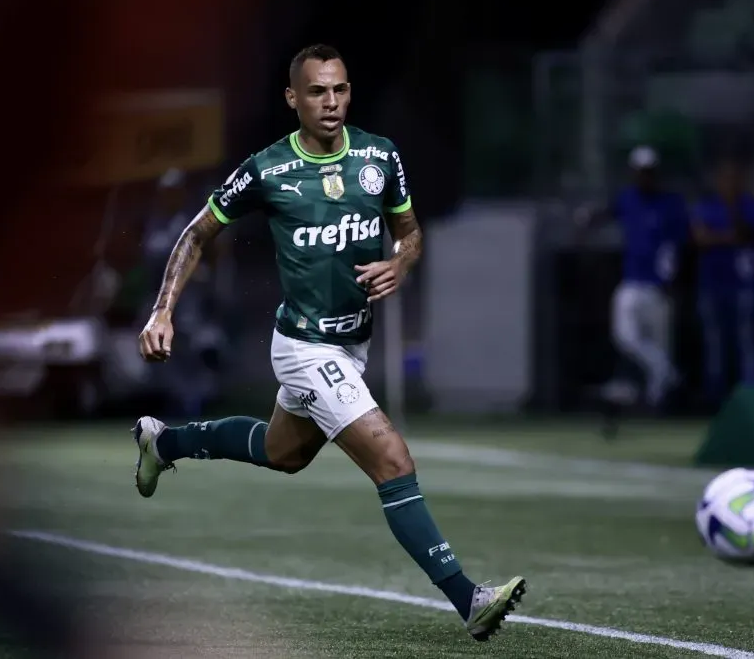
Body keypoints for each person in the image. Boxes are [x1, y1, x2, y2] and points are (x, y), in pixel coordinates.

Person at [133, 44, 525, 641]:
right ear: (293, 98)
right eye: (317, 91)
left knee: (281, 452)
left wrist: (402, 263)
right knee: (393, 460)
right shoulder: (267, 170)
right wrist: (163, 310)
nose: (331, 102)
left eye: (339, 89)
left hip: (353, 346)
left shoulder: (378, 155)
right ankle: (467, 598)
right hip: (303, 348)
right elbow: (197, 232)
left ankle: (165, 442)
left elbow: (411, 232)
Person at [576, 145, 688, 412]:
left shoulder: (670, 204)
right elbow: (609, 211)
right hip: (633, 281)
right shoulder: (628, 198)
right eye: (640, 172)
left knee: (660, 345)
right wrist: (588, 219)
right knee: (625, 336)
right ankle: (669, 373)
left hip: (659, 287)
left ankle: (657, 404)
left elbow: (676, 247)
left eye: (649, 172)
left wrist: (672, 281)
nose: (644, 177)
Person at [690, 156, 754, 409]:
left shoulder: (751, 206)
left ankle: (750, 398)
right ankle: (716, 400)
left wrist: (731, 216)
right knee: (715, 345)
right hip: (712, 285)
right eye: (725, 179)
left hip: (743, 287)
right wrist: (728, 238)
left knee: (745, 343)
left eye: (734, 179)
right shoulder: (706, 206)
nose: (729, 184)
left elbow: (746, 234)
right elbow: (701, 240)